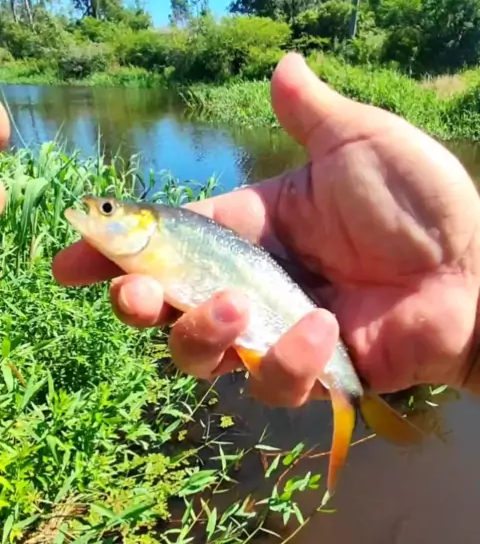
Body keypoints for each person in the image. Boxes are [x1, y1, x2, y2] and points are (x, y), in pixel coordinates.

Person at [6, 52, 480, 402]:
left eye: (108, 209)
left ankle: (353, 399)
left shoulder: (163, 231)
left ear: (141, 221)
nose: (98, 211)